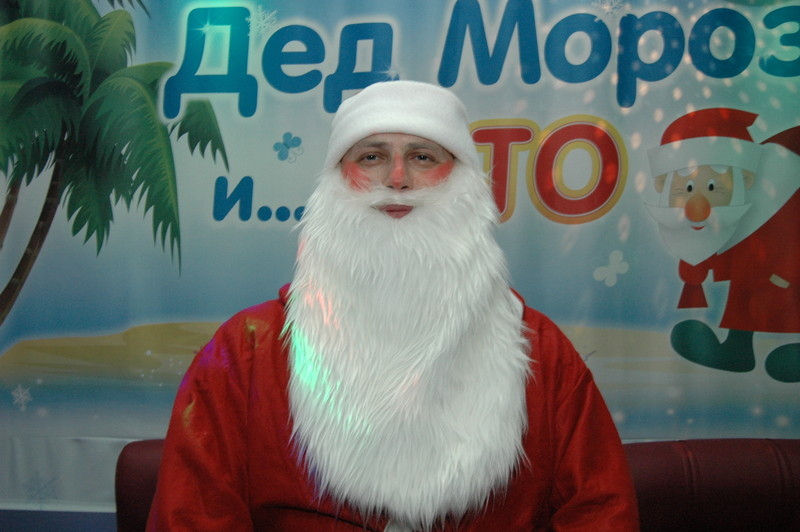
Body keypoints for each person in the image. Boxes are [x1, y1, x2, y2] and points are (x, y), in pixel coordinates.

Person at [147, 80, 639, 531]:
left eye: (423, 157)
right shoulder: (244, 355)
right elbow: (191, 515)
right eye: (371, 157)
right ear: (337, 180)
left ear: (463, 180)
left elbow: (600, 512)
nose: (397, 178)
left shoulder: (542, 354)